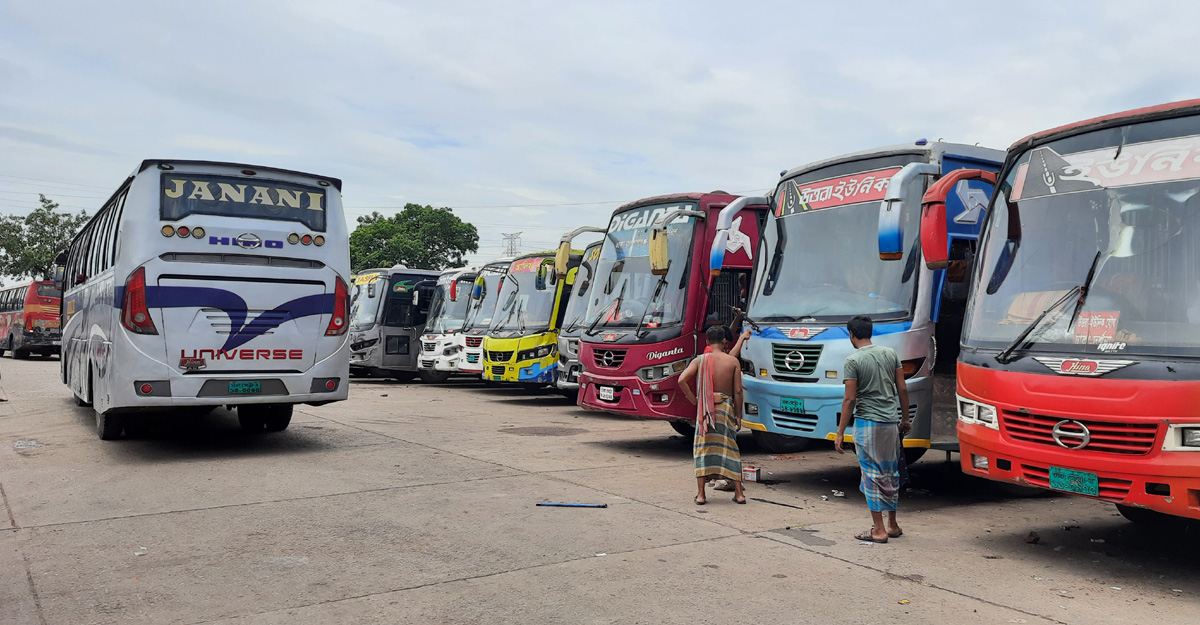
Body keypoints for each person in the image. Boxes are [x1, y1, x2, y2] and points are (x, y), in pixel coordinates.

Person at [835, 315, 910, 543]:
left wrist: (840, 432)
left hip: (868, 422)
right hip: (890, 422)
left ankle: (878, 529)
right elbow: (902, 389)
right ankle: (893, 524)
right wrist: (905, 419)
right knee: (891, 472)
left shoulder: (853, 360)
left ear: (851, 334)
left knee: (871, 474)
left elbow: (849, 400)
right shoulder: (890, 354)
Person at [679, 325, 746, 505]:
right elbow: (738, 391)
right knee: (731, 449)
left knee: (703, 450)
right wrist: (738, 416)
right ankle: (739, 494)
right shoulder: (732, 362)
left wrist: (694, 400)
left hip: (705, 412)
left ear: (707, 341)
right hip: (725, 409)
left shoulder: (700, 360)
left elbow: (681, 380)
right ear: (725, 341)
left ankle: (701, 495)